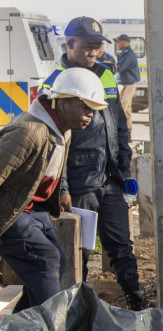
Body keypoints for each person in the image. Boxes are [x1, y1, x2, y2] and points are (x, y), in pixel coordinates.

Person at [41, 16, 146, 311]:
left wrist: (125, 168)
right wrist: (61, 188)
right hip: (77, 181)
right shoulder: (55, 82)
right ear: (70, 43)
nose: (93, 53)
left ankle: (137, 302)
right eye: (88, 47)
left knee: (121, 245)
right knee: (79, 250)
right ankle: (77, 308)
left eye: (98, 48)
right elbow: (53, 143)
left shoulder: (106, 75)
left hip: (110, 176)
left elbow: (119, 126)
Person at [0, 68, 108, 313]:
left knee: (55, 259)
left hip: (33, 209)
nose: (90, 115)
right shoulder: (29, 132)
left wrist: (60, 192)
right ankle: (53, 329)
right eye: (85, 107)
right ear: (63, 103)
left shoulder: (62, 129)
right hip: (13, 212)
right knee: (45, 261)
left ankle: (25, 327)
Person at [114, 34, 140, 136]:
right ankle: (128, 132)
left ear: (125, 42)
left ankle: (122, 132)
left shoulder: (127, 54)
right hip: (126, 83)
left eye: (118, 41)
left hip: (128, 84)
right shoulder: (126, 53)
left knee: (122, 107)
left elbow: (120, 67)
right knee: (127, 109)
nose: (117, 44)